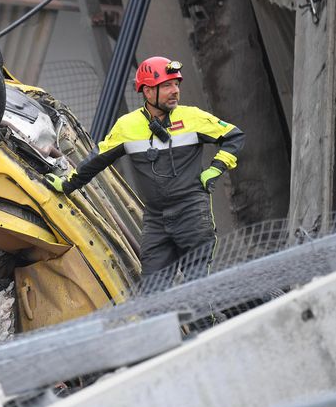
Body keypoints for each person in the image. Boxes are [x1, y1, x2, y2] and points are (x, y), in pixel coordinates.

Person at [45, 56, 245, 280]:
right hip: (155, 219)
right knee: (152, 289)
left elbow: (234, 137)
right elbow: (96, 160)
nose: (175, 91)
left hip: (192, 212)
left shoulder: (192, 117)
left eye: (176, 84)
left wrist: (215, 169)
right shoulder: (127, 126)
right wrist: (67, 184)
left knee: (195, 285)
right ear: (148, 92)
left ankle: (207, 317)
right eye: (167, 85)